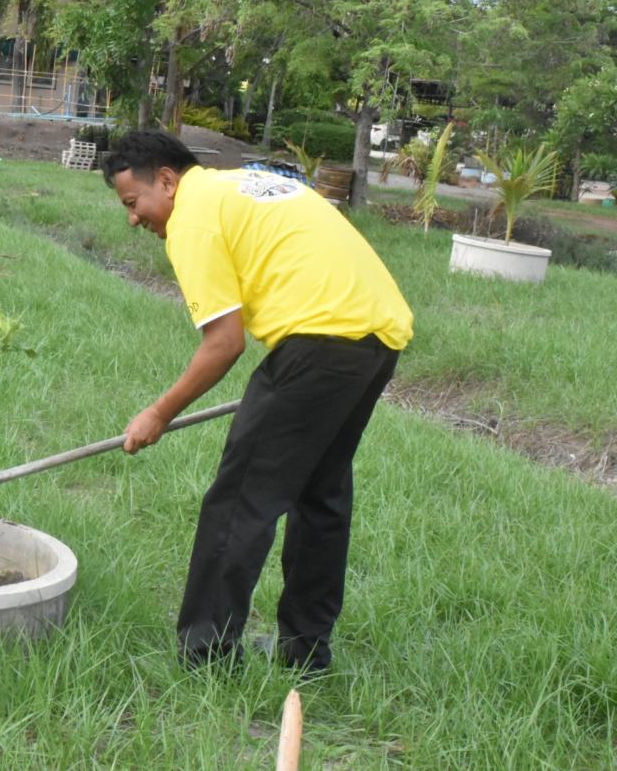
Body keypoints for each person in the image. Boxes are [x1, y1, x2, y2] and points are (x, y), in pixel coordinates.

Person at [102, 130, 413, 672]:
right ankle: (305, 651)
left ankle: (207, 656)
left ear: (168, 180)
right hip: (377, 340)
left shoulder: (193, 218)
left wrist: (158, 413)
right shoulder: (244, 184)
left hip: (320, 338)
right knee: (321, 494)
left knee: (241, 496)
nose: (134, 219)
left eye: (134, 203)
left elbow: (224, 343)